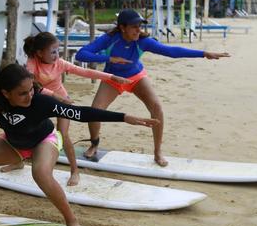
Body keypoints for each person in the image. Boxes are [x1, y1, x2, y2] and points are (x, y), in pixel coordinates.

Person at [0, 63, 158, 226]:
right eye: (22, 93)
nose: (30, 96)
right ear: (5, 93)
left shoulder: (41, 101)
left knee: (41, 174)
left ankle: (71, 220)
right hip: (12, 142)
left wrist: (124, 117)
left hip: (44, 140)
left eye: (32, 89)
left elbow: (80, 113)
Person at [75, 9, 230, 166]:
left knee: (157, 108)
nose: (138, 30)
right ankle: (94, 143)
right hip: (113, 79)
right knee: (95, 111)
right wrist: (109, 58)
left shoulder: (143, 41)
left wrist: (204, 53)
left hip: (136, 77)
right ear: (122, 27)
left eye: (140, 26)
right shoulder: (109, 39)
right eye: (134, 26)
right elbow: (81, 54)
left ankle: (157, 152)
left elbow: (171, 51)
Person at [0, 31, 131, 186]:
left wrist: (110, 76)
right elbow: (34, 86)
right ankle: (19, 161)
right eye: (53, 52)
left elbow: (84, 71)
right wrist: (53, 95)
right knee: (21, 129)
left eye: (58, 51)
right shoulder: (31, 64)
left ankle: (74, 170)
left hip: (61, 100)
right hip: (39, 102)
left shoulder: (60, 63)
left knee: (63, 134)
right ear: (39, 53)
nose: (57, 55)